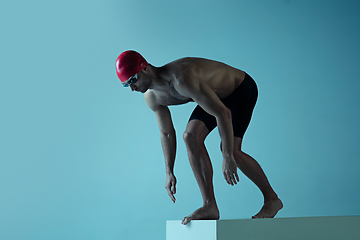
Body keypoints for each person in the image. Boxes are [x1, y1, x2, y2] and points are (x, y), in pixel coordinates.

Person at [115, 50, 283, 225]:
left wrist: (227, 156)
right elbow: (166, 133)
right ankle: (209, 206)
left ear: (145, 68)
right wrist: (169, 172)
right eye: (126, 85)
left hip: (239, 89)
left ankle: (272, 199)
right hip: (214, 96)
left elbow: (222, 113)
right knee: (190, 137)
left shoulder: (181, 78)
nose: (132, 88)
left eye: (133, 80)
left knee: (232, 150)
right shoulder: (152, 97)